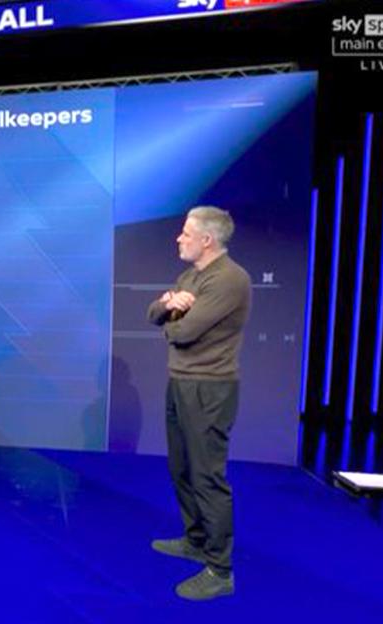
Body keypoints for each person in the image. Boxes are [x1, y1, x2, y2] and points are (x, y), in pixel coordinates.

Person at [146, 206, 251, 601]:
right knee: (181, 468)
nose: (179, 238)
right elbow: (154, 313)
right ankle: (196, 542)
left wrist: (171, 312)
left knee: (207, 476)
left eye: (186, 233)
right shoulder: (192, 276)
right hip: (181, 384)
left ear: (207, 239)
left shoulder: (229, 279)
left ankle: (220, 570)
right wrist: (170, 305)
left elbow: (183, 332)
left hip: (210, 389)